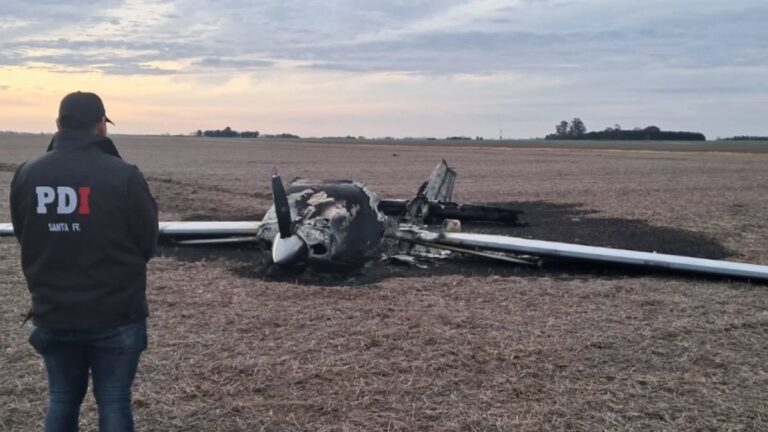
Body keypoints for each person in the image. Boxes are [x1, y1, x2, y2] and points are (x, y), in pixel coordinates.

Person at [10, 91, 158, 432]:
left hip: (53, 312)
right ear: (101, 126)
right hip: (117, 313)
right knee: (114, 400)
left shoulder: (28, 175)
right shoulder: (124, 175)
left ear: (58, 124)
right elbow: (147, 242)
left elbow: (25, 233)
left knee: (61, 398)